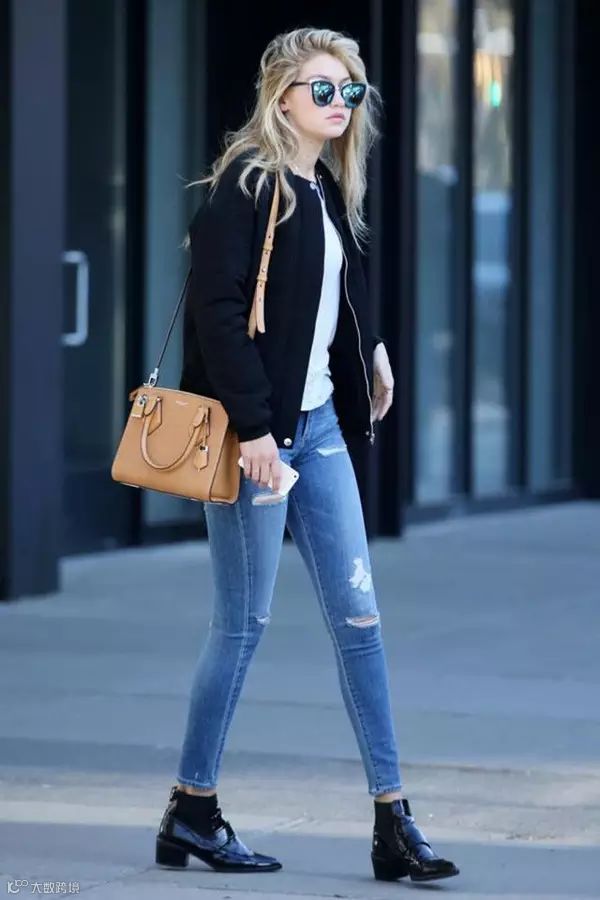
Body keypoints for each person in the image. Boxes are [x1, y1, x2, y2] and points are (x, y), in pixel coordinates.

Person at [155, 26, 459, 885]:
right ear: (281, 97)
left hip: (320, 431)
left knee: (360, 622)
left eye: (349, 91)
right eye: (322, 89)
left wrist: (372, 350)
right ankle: (193, 807)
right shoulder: (247, 187)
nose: (338, 104)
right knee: (241, 625)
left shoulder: (322, 186)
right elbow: (218, 315)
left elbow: (333, 293)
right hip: (257, 437)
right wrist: (254, 431)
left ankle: (394, 820)